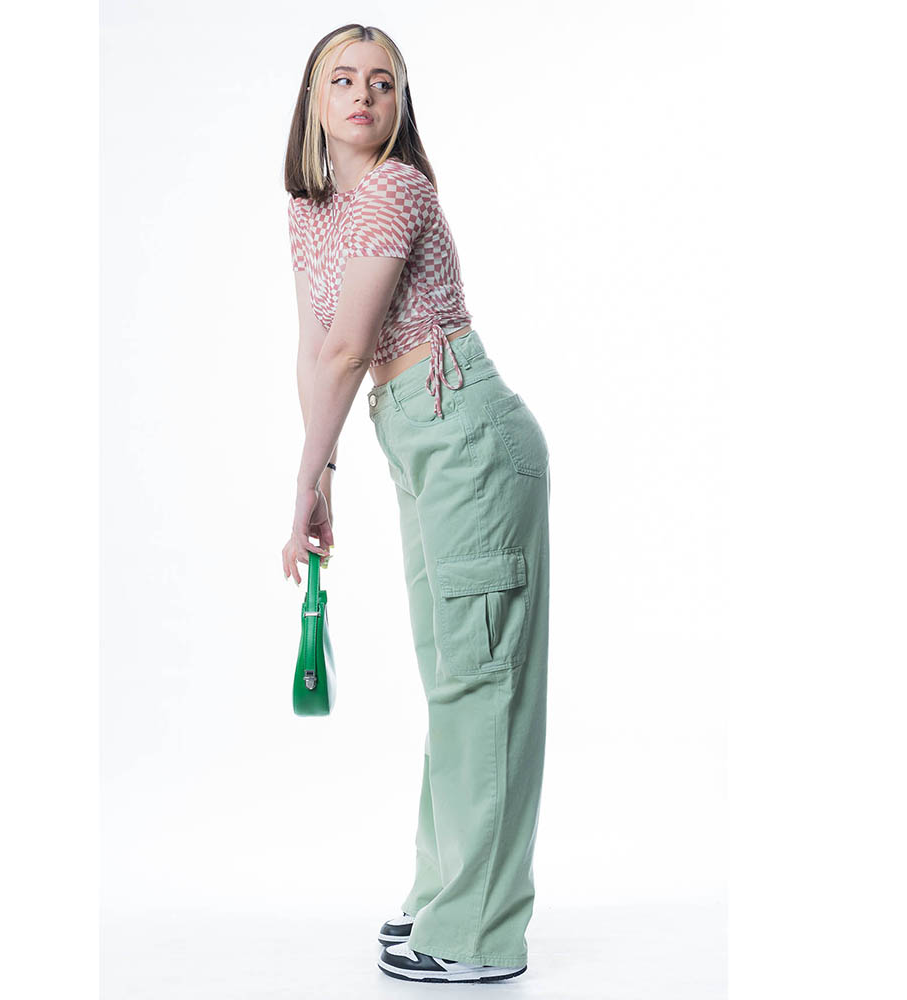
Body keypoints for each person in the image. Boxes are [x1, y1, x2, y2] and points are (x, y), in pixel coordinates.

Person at [280, 23, 551, 985]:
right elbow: (315, 349)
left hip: (466, 429)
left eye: (383, 81)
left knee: (482, 680)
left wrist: (307, 478)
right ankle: (445, 895)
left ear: (401, 103)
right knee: (453, 677)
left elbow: (350, 347)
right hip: (416, 436)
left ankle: (478, 933)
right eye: (342, 79)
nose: (363, 95)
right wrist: (320, 473)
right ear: (313, 101)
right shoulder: (310, 209)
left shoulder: (397, 187)